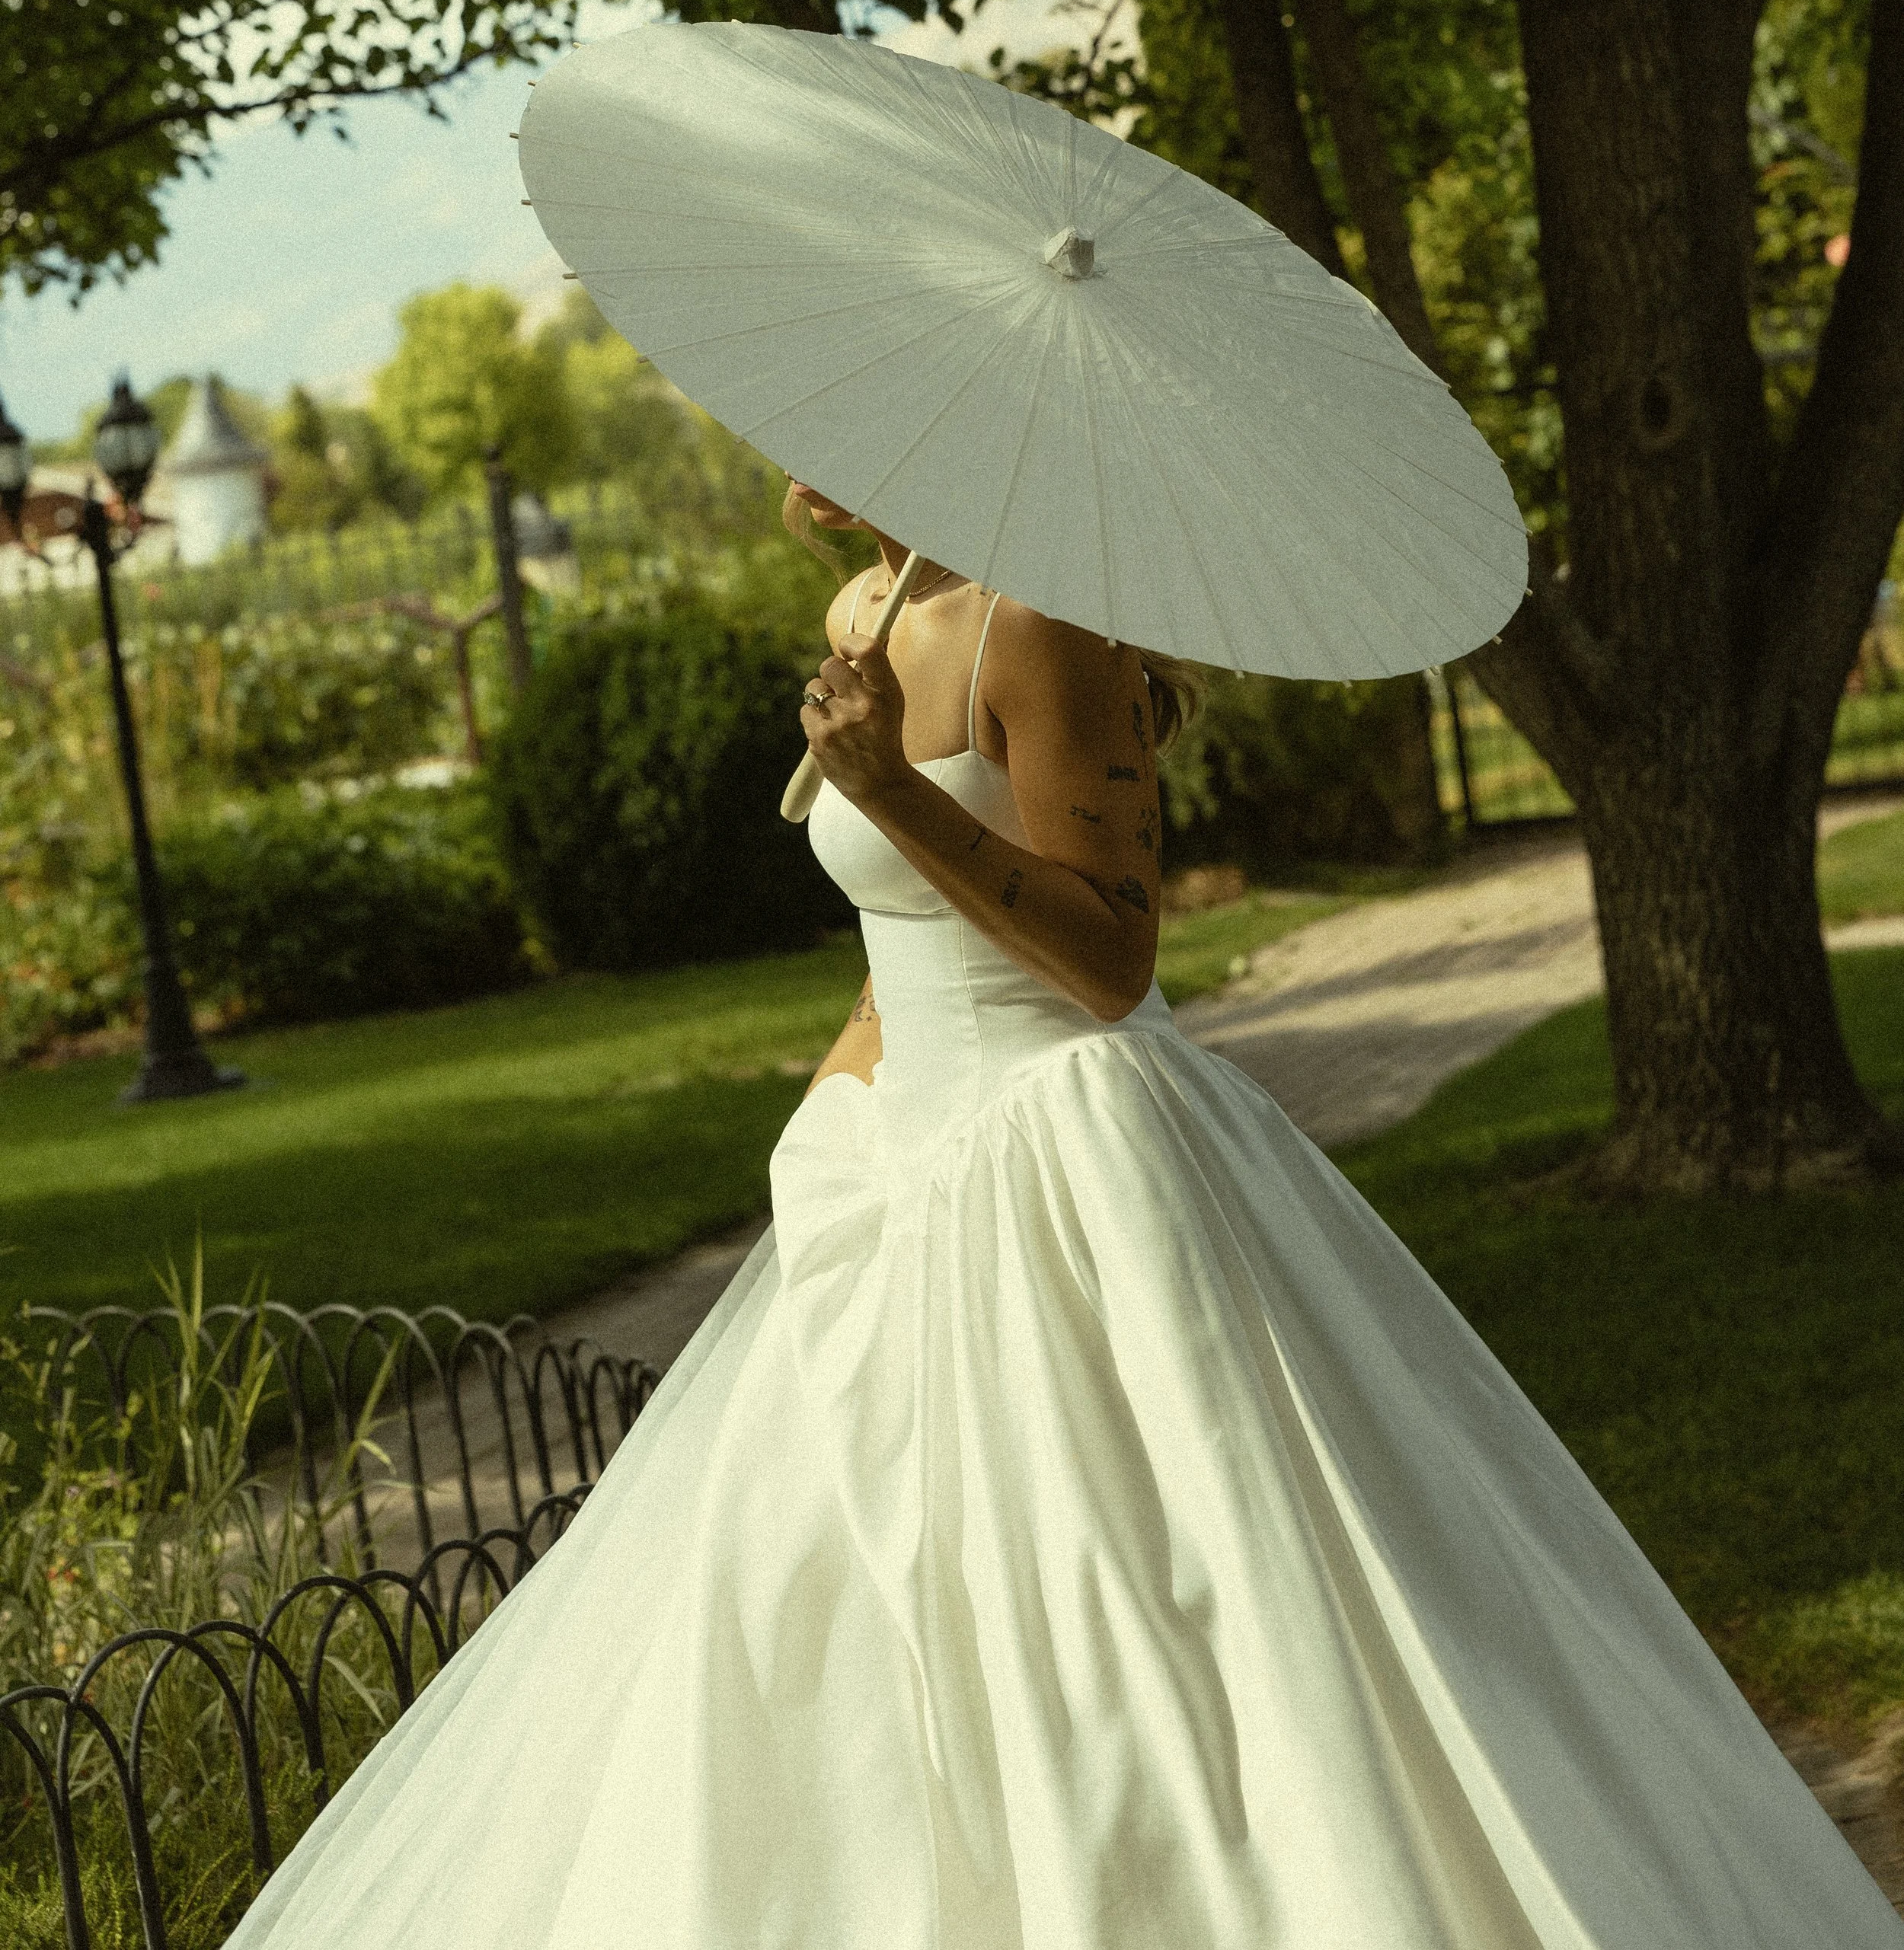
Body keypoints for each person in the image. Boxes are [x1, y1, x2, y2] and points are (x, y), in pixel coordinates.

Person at [231, 484, 1902, 1949]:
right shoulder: (866, 610)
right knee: (825, 1614)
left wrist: (887, 787)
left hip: (1071, 1169)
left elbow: (1110, 962)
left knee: (1143, 1608)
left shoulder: (1050, 625)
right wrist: (830, 1121)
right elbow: (906, 956)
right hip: (894, 1173)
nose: (780, 433)